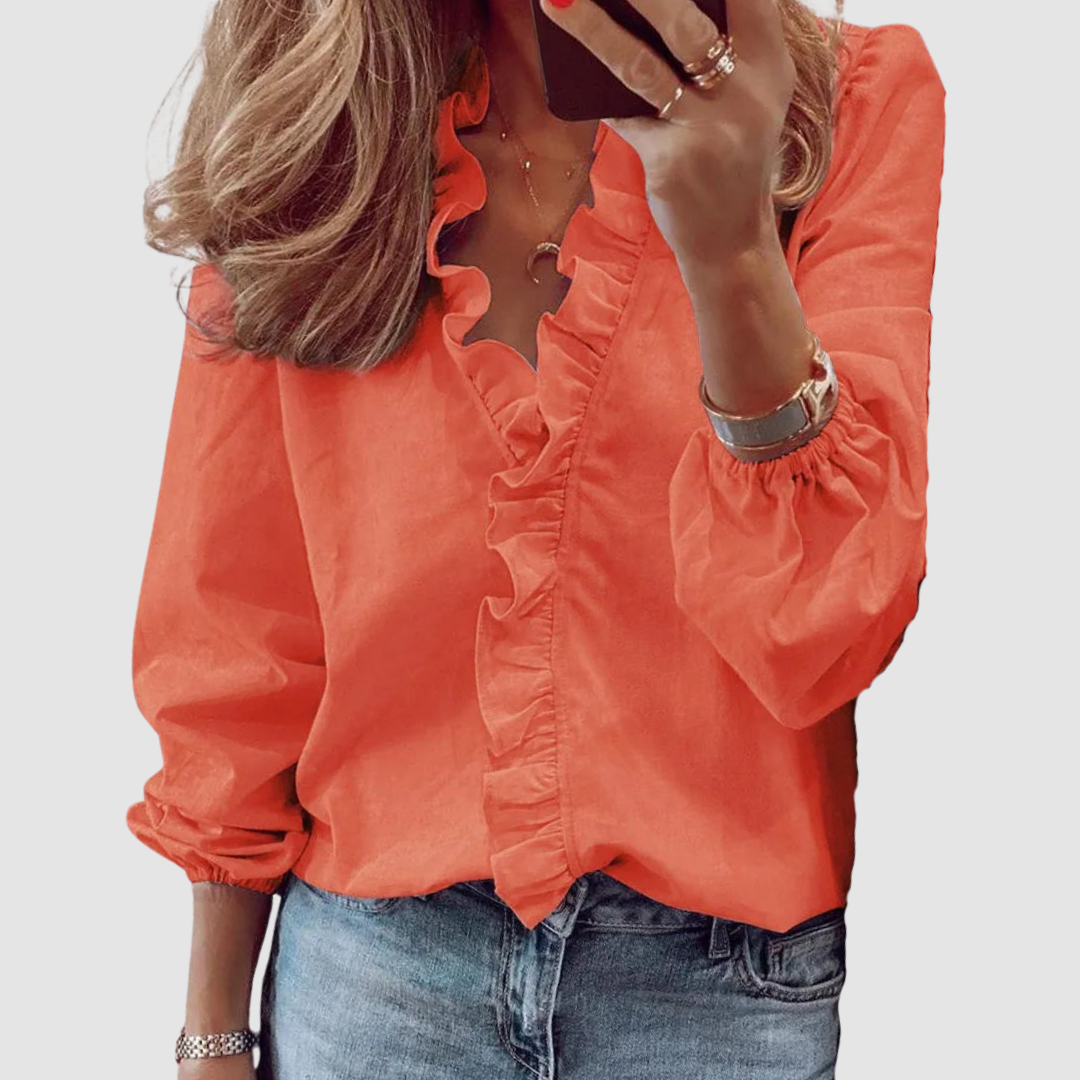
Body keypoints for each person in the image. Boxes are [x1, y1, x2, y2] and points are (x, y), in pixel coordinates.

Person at [127, 0, 946, 1077]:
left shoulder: (844, 106)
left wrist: (733, 249)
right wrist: (211, 1036)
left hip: (713, 1005)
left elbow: (826, 628)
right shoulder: (319, 121)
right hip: (372, 984)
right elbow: (238, 619)